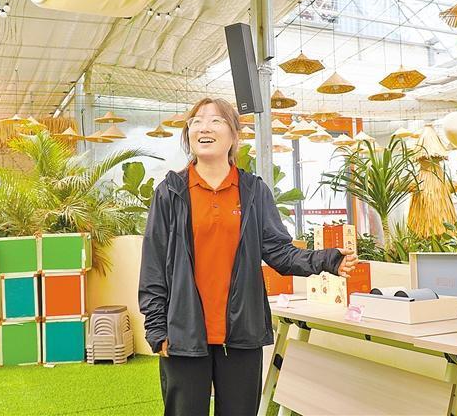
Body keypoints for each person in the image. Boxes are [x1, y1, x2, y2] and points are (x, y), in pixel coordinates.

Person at [139, 97, 358, 416]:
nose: (204, 127)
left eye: (215, 121)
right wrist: (156, 327)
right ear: (188, 134)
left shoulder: (253, 191)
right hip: (183, 333)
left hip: (242, 334)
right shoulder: (170, 192)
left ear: (234, 135)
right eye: (196, 121)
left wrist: (327, 260)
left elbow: (279, 253)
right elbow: (154, 265)